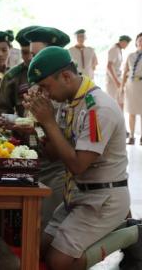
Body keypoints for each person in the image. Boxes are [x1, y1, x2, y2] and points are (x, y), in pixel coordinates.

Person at [25, 46, 130, 270]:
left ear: (66, 76)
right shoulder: (69, 103)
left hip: (103, 198)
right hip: (77, 194)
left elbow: (77, 165)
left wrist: (49, 122)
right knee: (38, 249)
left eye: (45, 87)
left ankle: (130, 233)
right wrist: (39, 126)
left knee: (58, 262)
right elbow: (54, 155)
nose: (44, 94)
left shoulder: (98, 108)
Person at [0, 25, 69, 232]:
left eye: (35, 54)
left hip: (60, 168)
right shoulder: (30, 82)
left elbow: (61, 142)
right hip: (31, 157)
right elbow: (0, 116)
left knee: (48, 235)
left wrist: (36, 129)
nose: (30, 60)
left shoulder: (70, 87)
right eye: (28, 53)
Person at [121, 32, 142, 145]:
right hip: (131, 85)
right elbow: (125, 71)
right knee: (131, 112)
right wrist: (121, 87)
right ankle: (132, 136)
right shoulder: (130, 56)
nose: (141, 42)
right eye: (139, 40)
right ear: (136, 42)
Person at [106, 35, 131, 105]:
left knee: (120, 101)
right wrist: (116, 81)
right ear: (123, 42)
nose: (127, 46)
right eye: (127, 43)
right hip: (112, 80)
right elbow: (109, 66)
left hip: (117, 78)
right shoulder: (114, 49)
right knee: (113, 102)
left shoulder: (118, 49)